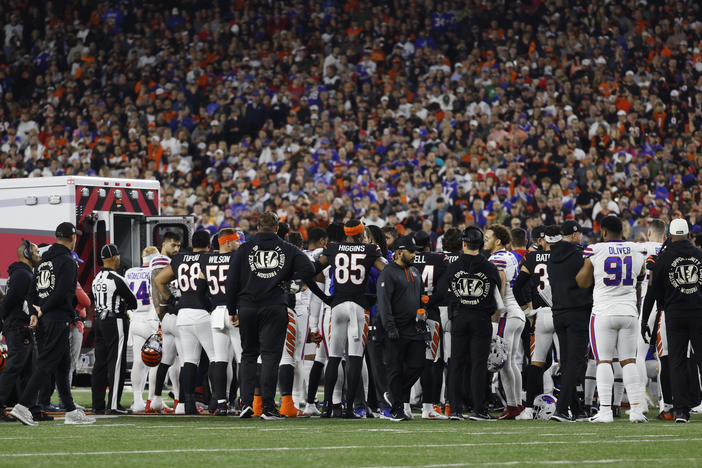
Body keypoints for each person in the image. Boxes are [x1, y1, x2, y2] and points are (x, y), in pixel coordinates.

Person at [226, 211, 316, 419]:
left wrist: (232, 310)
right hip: (274, 306)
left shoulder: (244, 249)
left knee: (247, 355)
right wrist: (288, 280)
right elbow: (309, 269)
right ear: (277, 228)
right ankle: (267, 407)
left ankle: (246, 404)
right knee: (270, 356)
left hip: (247, 306)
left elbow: (231, 282)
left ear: (258, 227)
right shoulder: (288, 248)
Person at [10, 222, 95, 425]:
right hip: (57, 318)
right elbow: (63, 293)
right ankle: (22, 406)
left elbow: (31, 293)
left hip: (44, 319)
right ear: (73, 238)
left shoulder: (42, 262)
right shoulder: (67, 261)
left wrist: (35, 312)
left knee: (62, 364)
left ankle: (71, 410)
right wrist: (44, 310)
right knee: (47, 363)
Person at [575, 215, 648, 423]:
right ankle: (636, 410)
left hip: (604, 312)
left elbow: (583, 281)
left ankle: (605, 410)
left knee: (603, 361)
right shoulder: (636, 249)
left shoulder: (596, 249)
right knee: (629, 361)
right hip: (629, 311)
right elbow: (641, 276)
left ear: (604, 232)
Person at [427, 226, 503, 421]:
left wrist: (426, 303)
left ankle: (455, 409)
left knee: (456, 363)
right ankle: (478, 408)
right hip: (481, 318)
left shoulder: (453, 266)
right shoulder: (489, 266)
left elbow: (441, 292)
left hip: (459, 318)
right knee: (478, 365)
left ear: (463, 243)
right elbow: (497, 291)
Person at [315, 219, 386, 418]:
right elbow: (387, 272)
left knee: (334, 357)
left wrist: (324, 297)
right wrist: (374, 298)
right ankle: (350, 408)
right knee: (355, 358)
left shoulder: (333, 248)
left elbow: (310, 271)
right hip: (358, 307)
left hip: (336, 306)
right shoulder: (370, 249)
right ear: (361, 232)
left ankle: (328, 407)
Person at [642, 218, 702, 423]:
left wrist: (644, 319)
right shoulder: (699, 255)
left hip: (673, 314)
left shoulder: (664, 257)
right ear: (688, 234)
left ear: (670, 234)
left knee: (675, 362)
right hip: (698, 313)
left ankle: (681, 411)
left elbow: (651, 292)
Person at [155, 230, 214, 415]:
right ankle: (218, 401)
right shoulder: (208, 258)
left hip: (183, 313)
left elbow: (159, 280)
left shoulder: (180, 259)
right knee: (217, 359)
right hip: (203, 312)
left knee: (189, 361)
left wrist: (172, 299)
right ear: (208, 244)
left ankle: (187, 403)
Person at [376, 234, 426, 421]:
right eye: (410, 251)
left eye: (415, 251)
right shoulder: (388, 273)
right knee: (395, 370)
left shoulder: (415, 272)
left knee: (418, 366)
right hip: (396, 329)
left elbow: (421, 299)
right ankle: (397, 408)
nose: (414, 255)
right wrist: (390, 328)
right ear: (398, 252)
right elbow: (384, 304)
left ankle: (394, 394)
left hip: (414, 328)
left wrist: (423, 315)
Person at [547, 220, 591, 422]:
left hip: (558, 312)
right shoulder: (580, 254)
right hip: (577, 312)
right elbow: (587, 282)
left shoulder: (552, 255)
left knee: (566, 361)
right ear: (575, 235)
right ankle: (562, 409)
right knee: (575, 361)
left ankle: (577, 409)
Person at [513, 225, 557, 420]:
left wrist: (527, 311)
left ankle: (530, 408)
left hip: (540, 315)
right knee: (570, 361)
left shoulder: (531, 258)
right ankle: (571, 408)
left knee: (536, 362)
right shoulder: (567, 256)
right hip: (563, 313)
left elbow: (517, 287)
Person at [91, 244, 138, 415]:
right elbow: (133, 303)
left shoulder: (96, 279)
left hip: (99, 321)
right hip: (115, 320)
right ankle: (113, 405)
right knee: (117, 363)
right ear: (114, 257)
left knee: (100, 364)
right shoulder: (117, 278)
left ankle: (97, 404)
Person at [485, 224, 525, 419]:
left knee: (502, 363)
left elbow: (500, 280)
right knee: (512, 363)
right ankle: (517, 404)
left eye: (488, 237)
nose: (485, 240)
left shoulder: (497, 258)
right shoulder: (510, 255)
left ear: (497, 241)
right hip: (516, 312)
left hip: (506, 313)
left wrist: (497, 311)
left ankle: (512, 406)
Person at [635, 219, 674, 420]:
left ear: (649, 233)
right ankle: (664, 403)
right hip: (665, 306)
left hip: (646, 304)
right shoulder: (670, 249)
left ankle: (640, 402)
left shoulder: (639, 248)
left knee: (639, 354)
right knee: (663, 356)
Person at [0, 240, 42, 421]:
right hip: (18, 327)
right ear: (26, 254)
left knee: (29, 370)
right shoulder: (23, 275)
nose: (39, 254)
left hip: (19, 326)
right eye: (35, 251)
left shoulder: (22, 273)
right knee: (15, 368)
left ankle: (30, 408)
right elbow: (9, 300)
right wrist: (3, 318)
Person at [203, 228, 243, 416]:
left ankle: (220, 402)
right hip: (235, 311)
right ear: (226, 242)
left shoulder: (206, 259)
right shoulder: (237, 258)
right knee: (243, 358)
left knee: (220, 359)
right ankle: (245, 400)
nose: (238, 244)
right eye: (235, 241)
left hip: (216, 311)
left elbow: (200, 285)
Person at [412, 230, 449, 420]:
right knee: (432, 361)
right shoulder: (439, 259)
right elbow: (442, 292)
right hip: (432, 313)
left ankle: (404, 404)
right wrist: (428, 303)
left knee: (406, 358)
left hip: (409, 313)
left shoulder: (406, 258)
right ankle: (429, 405)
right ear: (429, 244)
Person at [147, 231, 182, 414]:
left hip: (161, 314)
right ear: (164, 244)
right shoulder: (161, 261)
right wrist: (161, 313)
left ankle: (156, 400)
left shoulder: (158, 260)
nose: (176, 249)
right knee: (166, 361)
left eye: (178, 246)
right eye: (173, 245)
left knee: (165, 361)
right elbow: (156, 289)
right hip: (162, 314)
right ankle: (171, 400)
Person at [124, 246, 161, 412]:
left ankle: (137, 400)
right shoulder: (155, 271)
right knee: (156, 361)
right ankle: (153, 400)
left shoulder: (130, 272)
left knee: (139, 362)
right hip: (151, 318)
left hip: (135, 318)